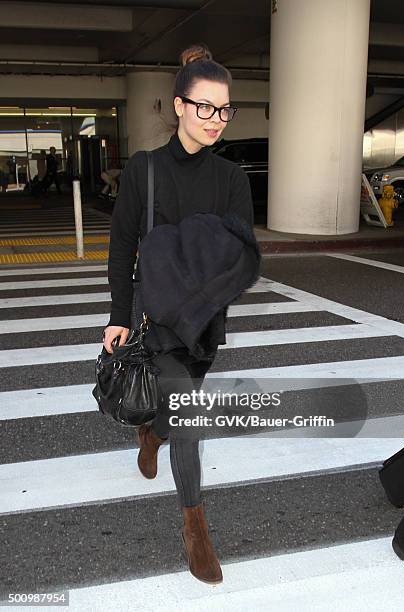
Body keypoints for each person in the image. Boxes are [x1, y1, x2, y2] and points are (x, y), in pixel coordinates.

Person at [103, 42, 254, 584]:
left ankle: (151, 434)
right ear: (180, 105)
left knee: (175, 412)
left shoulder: (231, 180)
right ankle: (196, 529)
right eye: (205, 107)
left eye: (224, 109)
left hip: (205, 320)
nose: (216, 119)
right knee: (190, 416)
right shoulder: (144, 171)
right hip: (156, 318)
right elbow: (122, 247)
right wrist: (119, 315)